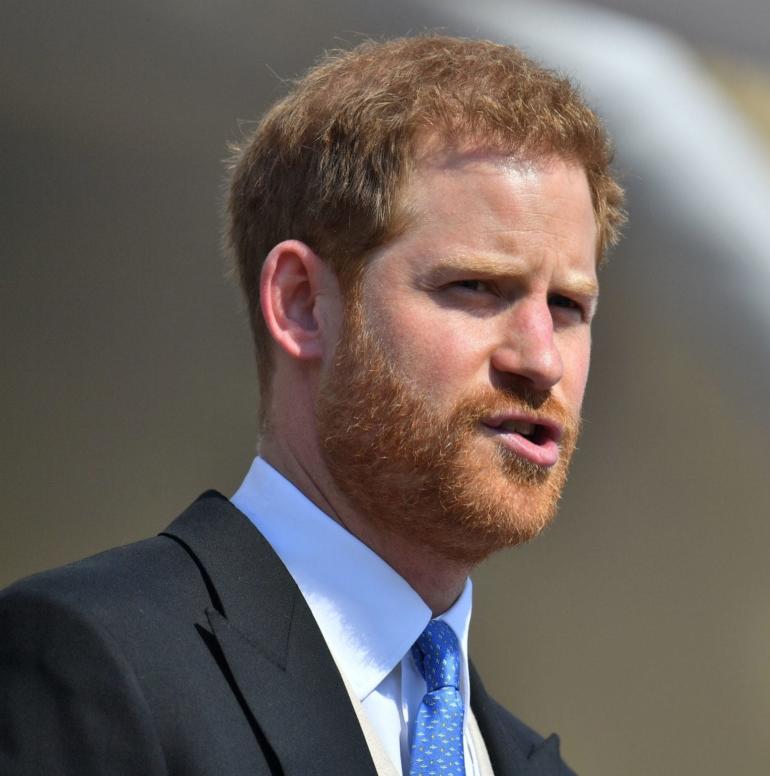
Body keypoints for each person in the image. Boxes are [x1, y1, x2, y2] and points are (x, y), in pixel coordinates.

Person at [0, 35, 624, 776]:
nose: (541, 359)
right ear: (301, 304)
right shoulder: (95, 660)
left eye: (568, 305)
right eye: (476, 287)